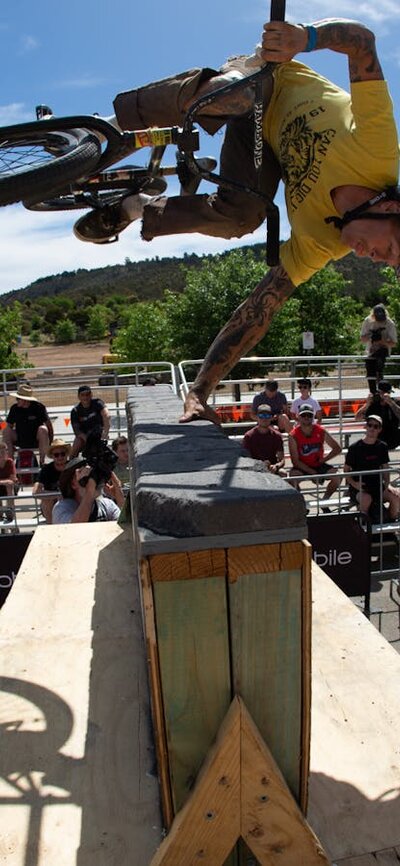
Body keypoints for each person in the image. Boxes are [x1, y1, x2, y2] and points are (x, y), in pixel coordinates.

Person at [344, 415, 400, 521]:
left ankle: (391, 523)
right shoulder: (354, 448)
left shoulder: (382, 446)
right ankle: (364, 527)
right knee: (366, 499)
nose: (372, 428)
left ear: (380, 429)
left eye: (376, 426)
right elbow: (346, 470)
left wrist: (388, 485)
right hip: (359, 487)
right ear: (365, 427)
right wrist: (354, 484)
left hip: (377, 486)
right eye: (370, 425)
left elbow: (385, 468)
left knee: (396, 496)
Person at [288, 403, 342, 508]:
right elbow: (295, 461)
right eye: (304, 415)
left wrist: (324, 460)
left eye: (309, 415)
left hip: (318, 464)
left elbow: (337, 448)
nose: (307, 418)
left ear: (313, 416)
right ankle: (301, 504)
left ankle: (324, 501)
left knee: (338, 476)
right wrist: (312, 472)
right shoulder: (293, 435)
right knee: (292, 479)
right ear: (298, 417)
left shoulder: (320, 431)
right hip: (302, 466)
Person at [52, 457, 125, 524]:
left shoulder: (107, 505)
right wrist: (89, 492)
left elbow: (125, 529)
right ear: (73, 484)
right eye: (87, 476)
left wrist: (120, 499)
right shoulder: (62, 508)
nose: (94, 480)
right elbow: (74, 529)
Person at [3, 383, 53, 466]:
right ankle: (10, 463)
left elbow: (49, 425)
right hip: (20, 438)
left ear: (25, 399)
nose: (16, 400)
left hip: (36, 439)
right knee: (6, 430)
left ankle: (42, 461)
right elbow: (8, 425)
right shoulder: (14, 408)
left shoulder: (39, 407)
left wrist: (50, 442)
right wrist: (9, 443)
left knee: (43, 429)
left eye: (18, 398)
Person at [32, 438, 71, 524]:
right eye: (56, 455)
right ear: (52, 456)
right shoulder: (46, 470)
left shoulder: (73, 466)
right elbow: (35, 492)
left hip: (71, 500)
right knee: (46, 501)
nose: (60, 457)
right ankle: (51, 527)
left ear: (67, 454)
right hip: (52, 504)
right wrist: (56, 496)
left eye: (62, 454)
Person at [360, 304, 397, 393]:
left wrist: (381, 341)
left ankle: (382, 391)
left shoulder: (389, 323)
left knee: (379, 367)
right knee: (370, 372)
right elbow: (362, 339)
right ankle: (373, 393)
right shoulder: (367, 321)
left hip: (383, 350)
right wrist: (371, 336)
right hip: (371, 352)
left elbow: (393, 343)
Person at [242, 403, 286, 475]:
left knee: (283, 473)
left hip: (272, 469)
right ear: (257, 417)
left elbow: (282, 459)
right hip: (254, 470)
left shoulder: (277, 435)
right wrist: (259, 465)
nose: (264, 419)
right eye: (261, 416)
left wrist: (276, 466)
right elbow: (245, 459)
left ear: (271, 417)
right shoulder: (249, 436)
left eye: (267, 416)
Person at [355, 381, 400, 449]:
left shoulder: (394, 403)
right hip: (376, 438)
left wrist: (391, 403)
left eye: (388, 393)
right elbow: (357, 418)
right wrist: (367, 404)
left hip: (392, 437)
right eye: (381, 393)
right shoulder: (373, 404)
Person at [70, 385, 111, 457]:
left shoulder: (98, 403)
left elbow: (106, 415)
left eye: (87, 394)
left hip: (99, 434)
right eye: (82, 395)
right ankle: (71, 463)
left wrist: (106, 432)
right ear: (79, 397)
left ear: (91, 395)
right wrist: (88, 440)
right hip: (84, 437)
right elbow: (77, 431)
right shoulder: (75, 411)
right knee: (77, 442)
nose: (85, 397)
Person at [0, 441, 17, 523]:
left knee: (9, 486)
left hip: (10, 487)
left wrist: (5, 482)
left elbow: (12, 479)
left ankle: (10, 513)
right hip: (2, 486)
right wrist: (4, 481)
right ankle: (0, 514)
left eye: (3, 452)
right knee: (7, 484)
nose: (1, 455)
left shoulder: (9, 462)